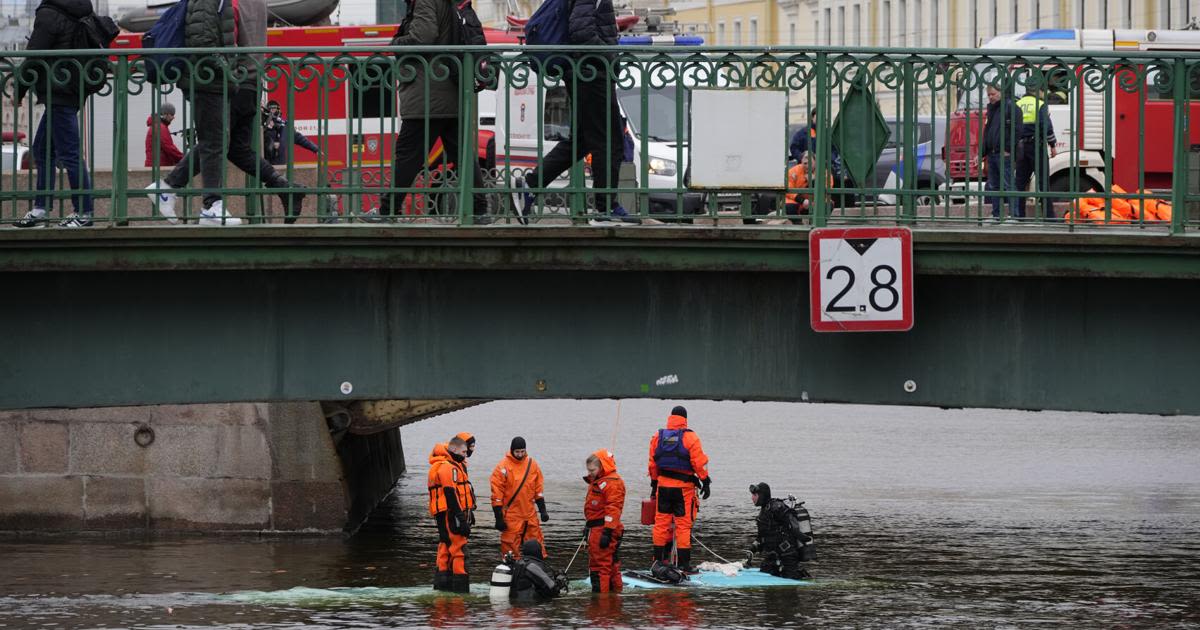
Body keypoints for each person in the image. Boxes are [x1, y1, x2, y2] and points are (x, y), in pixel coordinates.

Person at [143, 0, 306, 226]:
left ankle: (172, 189)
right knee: (225, 143)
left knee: (220, 142)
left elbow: (225, 37)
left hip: (234, 81)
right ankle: (282, 188)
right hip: (252, 80)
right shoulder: (260, 3)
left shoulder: (230, 2)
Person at [360, 0, 490, 224]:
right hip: (451, 89)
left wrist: (396, 43)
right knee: (463, 155)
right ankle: (480, 210)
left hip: (428, 94)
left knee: (407, 154)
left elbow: (424, 35)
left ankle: (387, 210)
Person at [514, 0, 635, 225]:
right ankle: (606, 209)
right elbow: (582, 31)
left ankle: (531, 184)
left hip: (585, 71)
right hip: (591, 72)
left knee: (583, 140)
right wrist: (610, 58)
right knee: (609, 139)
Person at [14, 0, 99, 228]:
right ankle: (41, 209)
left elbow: (34, 55)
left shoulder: (49, 13)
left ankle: (84, 212)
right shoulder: (80, 9)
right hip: (72, 85)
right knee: (42, 150)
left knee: (69, 153)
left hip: (57, 89)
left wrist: (19, 89)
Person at [647, 405, 712, 572]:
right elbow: (699, 463)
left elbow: (653, 463)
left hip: (663, 486)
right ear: (685, 419)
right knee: (683, 526)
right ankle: (684, 565)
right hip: (683, 490)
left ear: (670, 418)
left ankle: (658, 561)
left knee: (661, 524)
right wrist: (705, 481)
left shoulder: (657, 436)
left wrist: (654, 484)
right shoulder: (691, 437)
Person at [428, 436, 475, 592]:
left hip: (442, 515)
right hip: (451, 515)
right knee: (459, 551)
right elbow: (450, 494)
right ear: (453, 450)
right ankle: (461, 590)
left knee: (445, 549)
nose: (465, 455)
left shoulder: (439, 465)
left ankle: (442, 587)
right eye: (463, 452)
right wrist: (461, 519)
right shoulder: (449, 467)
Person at [490, 436, 550, 559]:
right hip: (512, 515)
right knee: (510, 548)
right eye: (517, 452)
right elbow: (497, 495)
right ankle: (511, 571)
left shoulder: (532, 464)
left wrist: (543, 511)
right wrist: (498, 518)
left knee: (537, 546)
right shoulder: (502, 467)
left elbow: (538, 490)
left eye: (522, 451)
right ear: (512, 450)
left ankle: (537, 569)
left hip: (529, 514)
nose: (520, 454)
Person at [749, 482, 814, 580]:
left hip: (787, 554)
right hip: (773, 555)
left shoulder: (776, 507)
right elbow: (762, 536)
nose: (752, 498)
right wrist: (752, 549)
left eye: (755, 495)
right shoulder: (763, 512)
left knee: (791, 578)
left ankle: (801, 575)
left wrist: (801, 536)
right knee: (765, 573)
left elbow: (791, 521)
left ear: (762, 495)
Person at [584, 448, 625, 593]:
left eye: (592, 470)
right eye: (589, 470)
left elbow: (613, 508)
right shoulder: (600, 481)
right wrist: (588, 527)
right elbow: (595, 510)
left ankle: (602, 600)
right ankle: (613, 596)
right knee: (609, 565)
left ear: (602, 466)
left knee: (601, 566)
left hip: (604, 529)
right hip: (597, 528)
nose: (590, 473)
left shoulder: (612, 483)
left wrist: (607, 532)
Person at [1015, 85, 1058, 219]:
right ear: (1038, 91)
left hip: (1020, 147)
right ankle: (1049, 216)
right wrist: (1052, 144)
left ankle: (1019, 216)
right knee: (1043, 182)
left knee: (1020, 183)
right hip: (1036, 146)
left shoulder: (1018, 104)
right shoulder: (1040, 104)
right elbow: (1046, 126)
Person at [980, 85, 1021, 221]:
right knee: (994, 186)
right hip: (992, 153)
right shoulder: (992, 109)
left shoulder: (1011, 107)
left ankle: (1014, 215)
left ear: (1001, 92)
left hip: (1003, 154)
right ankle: (996, 214)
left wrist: (1008, 149)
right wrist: (982, 153)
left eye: (993, 94)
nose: (991, 97)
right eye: (989, 95)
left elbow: (1016, 130)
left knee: (1009, 184)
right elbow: (987, 133)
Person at [262, 100, 320, 166]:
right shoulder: (263, 126)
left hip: (280, 164)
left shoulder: (285, 127)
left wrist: (315, 149)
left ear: (278, 110)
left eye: (274, 108)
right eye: (270, 109)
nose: (272, 111)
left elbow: (300, 139)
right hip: (265, 164)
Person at [145, 102, 184, 168]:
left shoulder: (157, 125)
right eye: (172, 114)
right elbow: (169, 148)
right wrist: (184, 159)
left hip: (155, 165)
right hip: (158, 167)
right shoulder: (160, 127)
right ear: (166, 114)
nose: (173, 118)